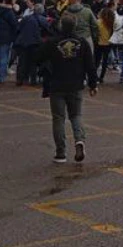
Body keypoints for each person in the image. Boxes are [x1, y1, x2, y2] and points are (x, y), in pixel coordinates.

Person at [38, 14, 98, 164]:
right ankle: (79, 140)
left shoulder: (53, 42)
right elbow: (90, 65)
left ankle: (60, 153)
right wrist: (93, 84)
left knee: (58, 118)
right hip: (76, 83)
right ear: (75, 26)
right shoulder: (82, 42)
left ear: (60, 25)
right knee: (76, 115)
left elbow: (38, 57)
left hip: (57, 84)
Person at [15, 4, 50, 86]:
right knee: (33, 62)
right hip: (35, 43)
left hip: (23, 42)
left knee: (22, 61)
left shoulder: (26, 18)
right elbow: (48, 30)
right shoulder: (43, 19)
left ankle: (20, 79)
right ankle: (33, 80)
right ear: (42, 11)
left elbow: (19, 28)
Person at [94, 6, 118, 83]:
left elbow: (95, 32)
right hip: (108, 43)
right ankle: (101, 77)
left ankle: (95, 76)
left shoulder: (98, 22)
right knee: (105, 61)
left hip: (99, 43)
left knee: (97, 60)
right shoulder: (111, 22)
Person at [0, 0, 17, 85]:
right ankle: (1, 77)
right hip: (6, 37)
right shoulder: (8, 11)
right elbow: (14, 24)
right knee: (4, 57)